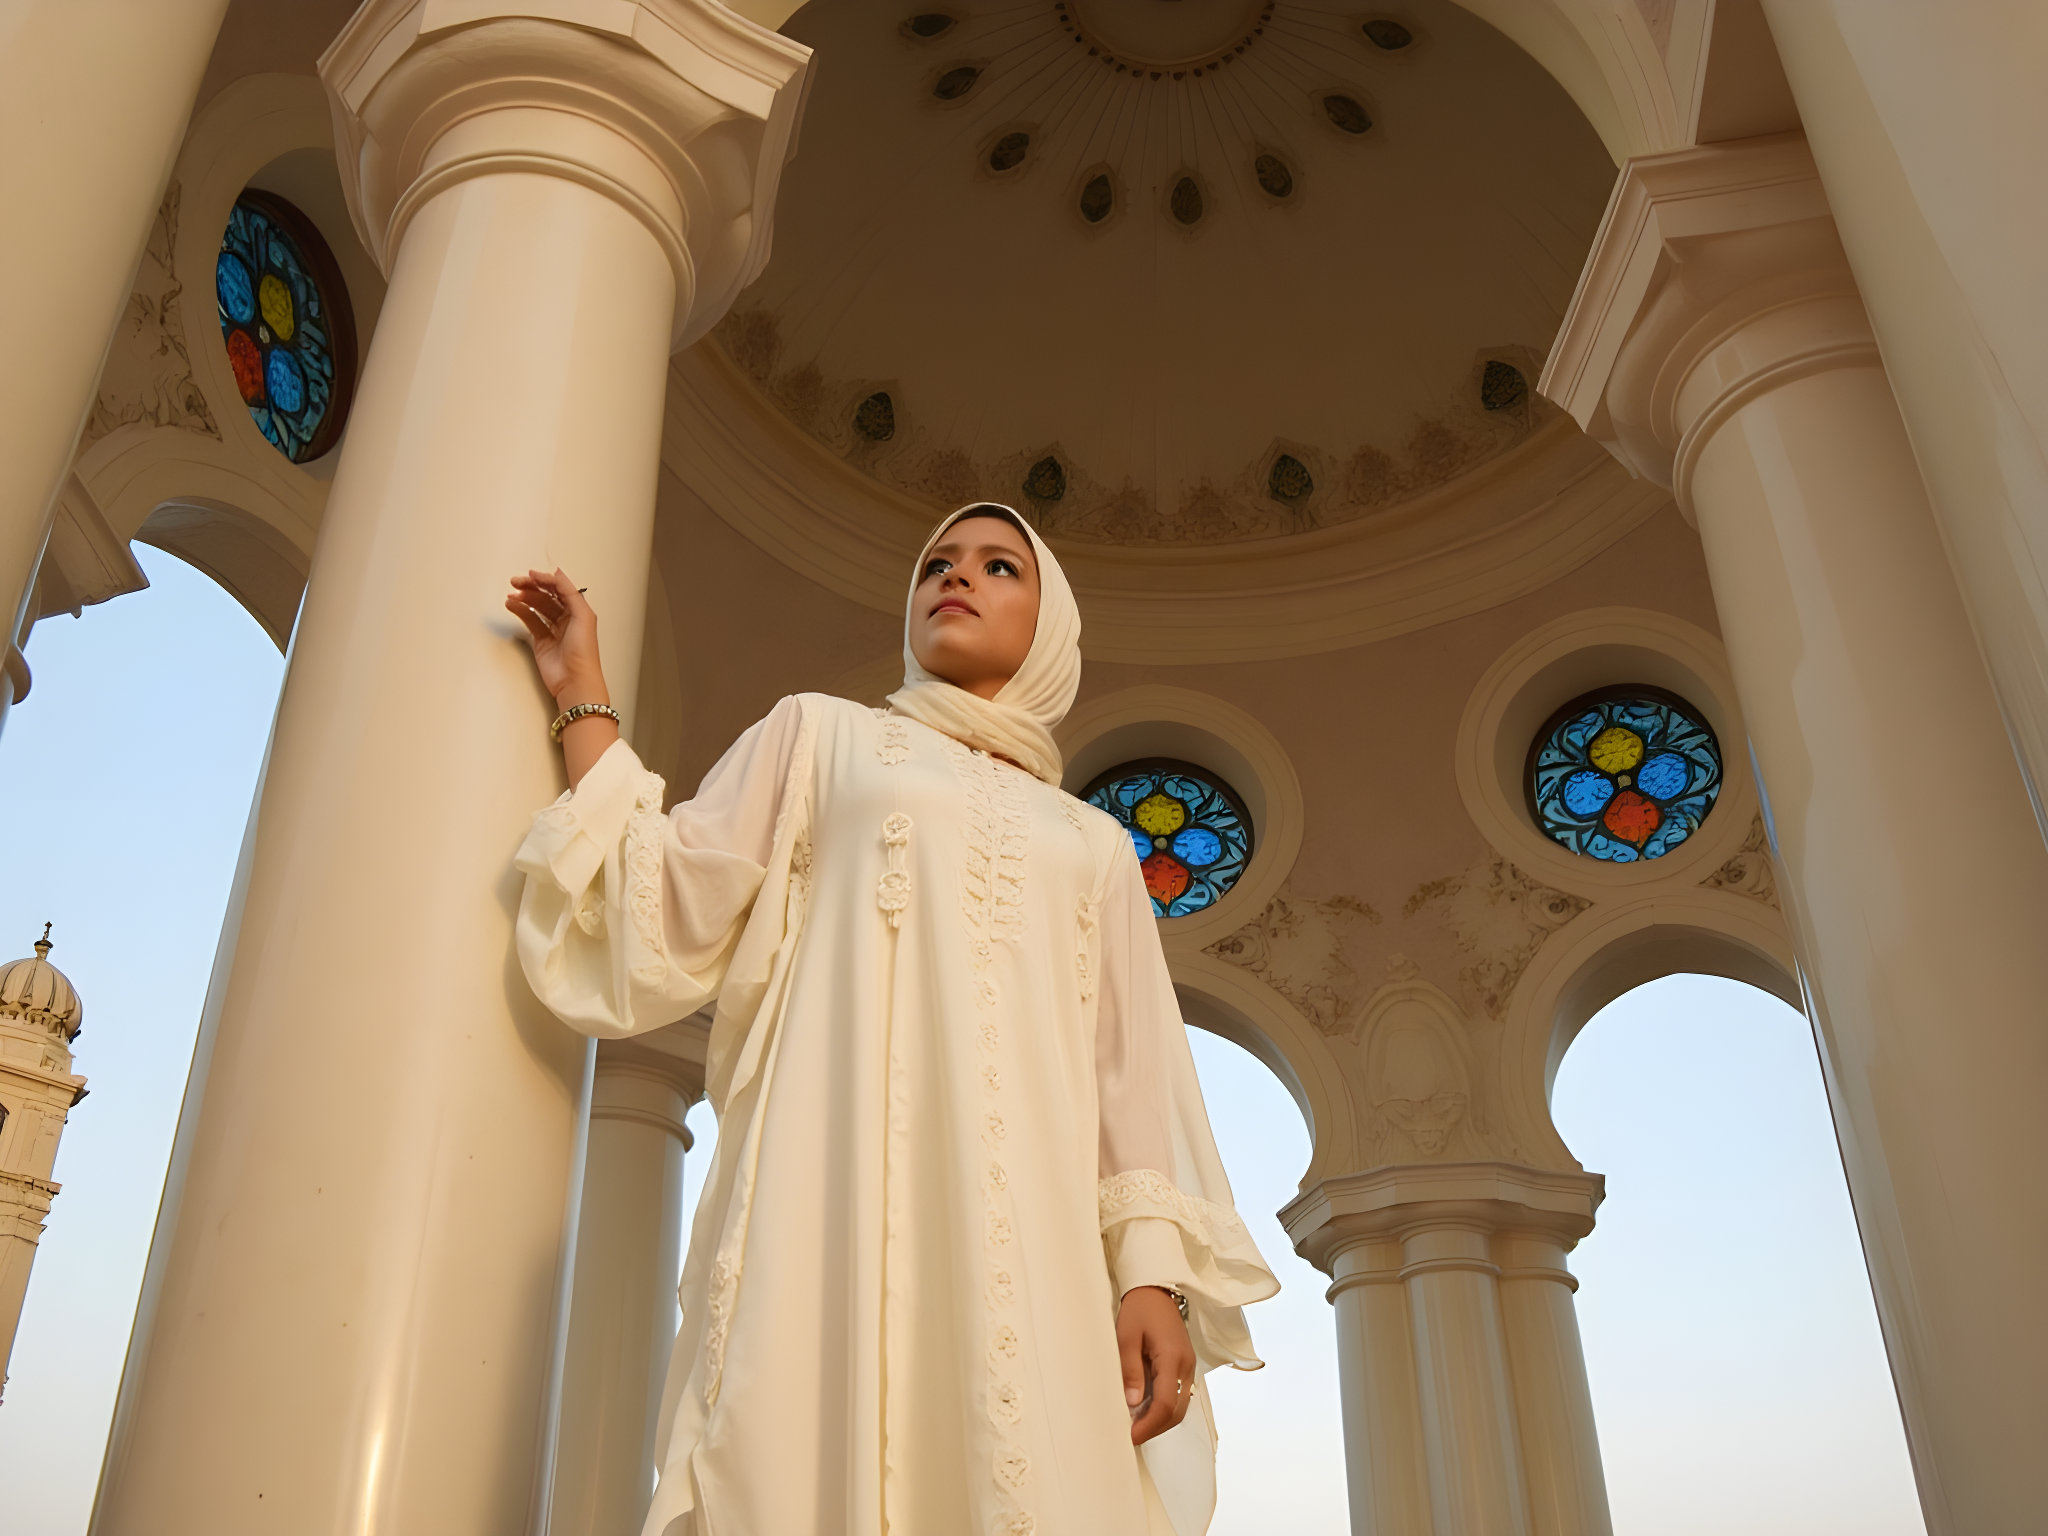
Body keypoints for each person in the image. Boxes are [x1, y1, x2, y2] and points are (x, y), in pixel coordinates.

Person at [507, 504, 1278, 1536]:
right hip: (833, 1198)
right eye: (936, 564)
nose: (954, 577)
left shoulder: (1093, 843)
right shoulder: (819, 734)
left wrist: (1153, 1281)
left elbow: (1124, 1077)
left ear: (1050, 626)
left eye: (997, 567)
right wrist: (581, 697)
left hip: (1035, 1242)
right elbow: (664, 899)